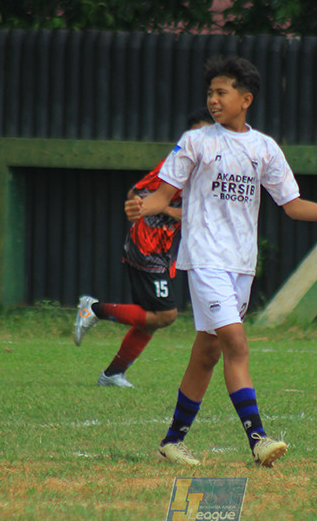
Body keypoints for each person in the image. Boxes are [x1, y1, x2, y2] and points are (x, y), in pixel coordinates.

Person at [125, 55, 317, 467]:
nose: (214, 100)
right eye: (210, 93)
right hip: (204, 259)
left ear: (245, 98)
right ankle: (258, 438)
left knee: (208, 353)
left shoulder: (263, 148)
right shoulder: (197, 141)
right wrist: (144, 207)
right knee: (236, 343)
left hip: (241, 265)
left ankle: (172, 440)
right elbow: (165, 194)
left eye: (222, 92)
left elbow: (290, 205)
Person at [73, 109, 215, 388]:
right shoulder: (173, 166)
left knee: (151, 319)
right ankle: (95, 309)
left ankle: (113, 374)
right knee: (166, 315)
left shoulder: (208, 172)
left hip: (163, 250)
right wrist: (174, 213)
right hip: (146, 245)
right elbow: (135, 195)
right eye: (197, 135)